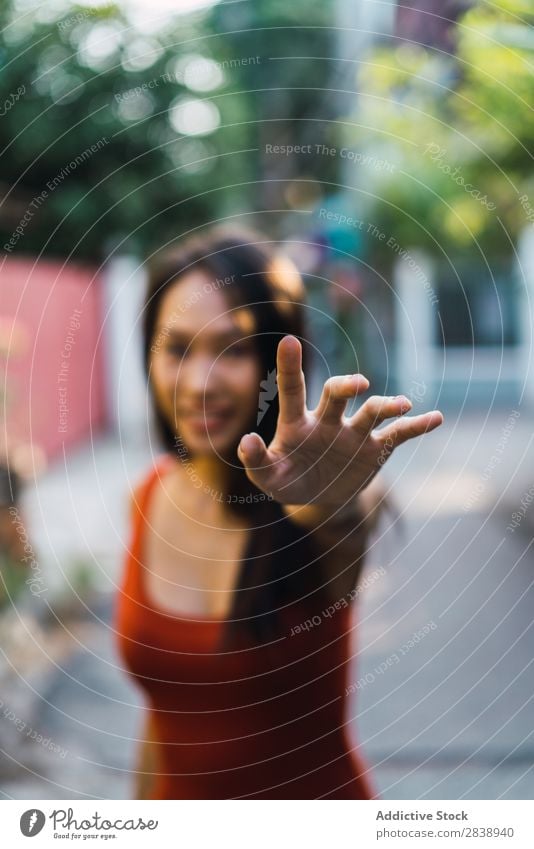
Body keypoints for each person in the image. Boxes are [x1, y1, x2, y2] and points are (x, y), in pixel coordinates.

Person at [114, 227, 443, 799]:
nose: (199, 383)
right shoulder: (146, 496)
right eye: (176, 347)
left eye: (233, 349)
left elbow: (336, 528)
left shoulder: (323, 508)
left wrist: (328, 500)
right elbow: (162, 716)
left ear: (275, 359)